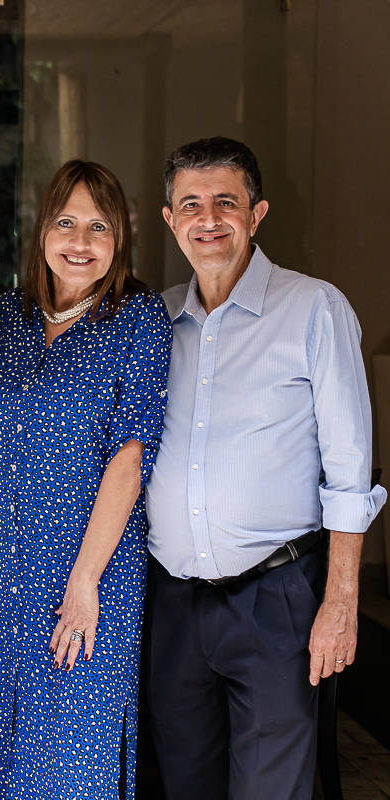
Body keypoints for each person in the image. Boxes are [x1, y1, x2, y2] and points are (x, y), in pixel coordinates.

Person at [142, 137, 386, 800]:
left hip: (277, 597)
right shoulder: (155, 319)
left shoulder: (315, 309)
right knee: (185, 784)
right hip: (172, 600)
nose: (208, 216)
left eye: (227, 201)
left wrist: (342, 602)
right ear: (169, 219)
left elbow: (349, 472)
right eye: (190, 203)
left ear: (258, 213)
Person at [0, 160, 171, 799]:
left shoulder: (138, 320)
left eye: (99, 227)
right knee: (1, 745)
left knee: (76, 752)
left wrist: (84, 584)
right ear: (41, 232)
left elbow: (129, 459)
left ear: (122, 239)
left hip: (88, 568)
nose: (80, 243)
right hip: (0, 569)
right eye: (66, 223)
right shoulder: (8, 317)